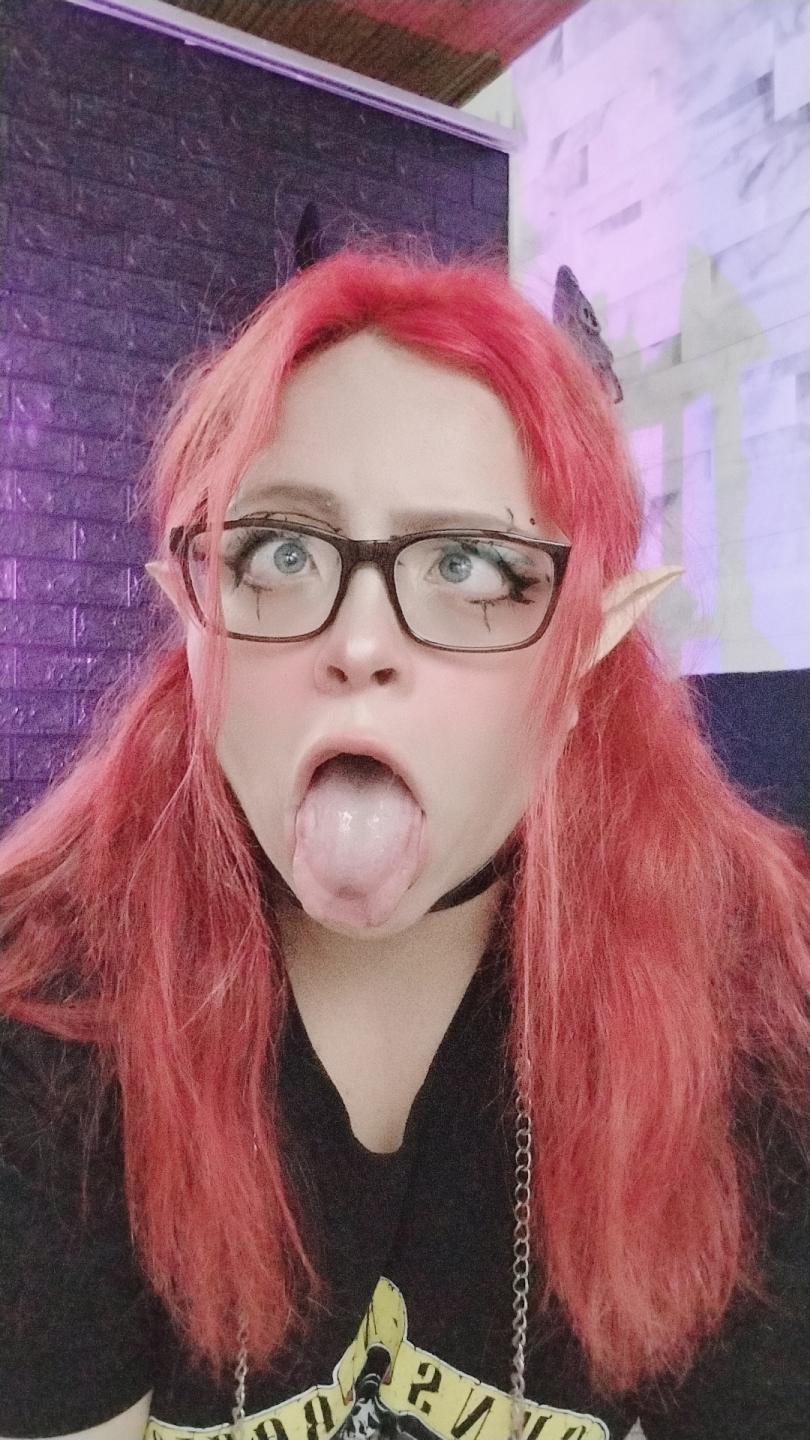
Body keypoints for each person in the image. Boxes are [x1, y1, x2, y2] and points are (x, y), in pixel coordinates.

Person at [0, 244, 808, 1440]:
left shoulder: (756, 1015)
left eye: (470, 564)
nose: (362, 644)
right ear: (196, 622)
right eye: (281, 552)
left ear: (585, 657)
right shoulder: (46, 1023)